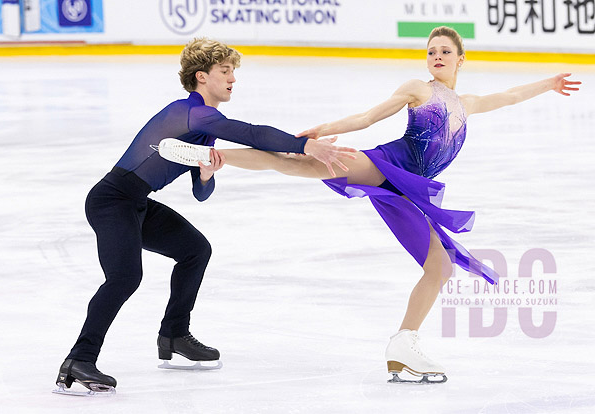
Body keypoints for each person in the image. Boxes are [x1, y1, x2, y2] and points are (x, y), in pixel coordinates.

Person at [163, 27, 581, 383]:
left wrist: (548, 84)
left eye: (445, 52)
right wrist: (323, 131)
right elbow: (368, 118)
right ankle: (217, 157)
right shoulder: (419, 89)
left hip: (408, 188)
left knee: (441, 267)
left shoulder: (467, 104)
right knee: (303, 164)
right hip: (386, 164)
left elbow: (508, 95)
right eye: (432, 51)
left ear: (460, 59)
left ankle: (404, 344)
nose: (436, 56)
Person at [54, 37, 355, 396]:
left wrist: (207, 174)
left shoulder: (204, 129)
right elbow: (252, 133)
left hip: (136, 202)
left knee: (195, 249)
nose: (232, 78)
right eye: (225, 71)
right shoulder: (192, 112)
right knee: (124, 277)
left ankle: (174, 334)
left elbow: (201, 192)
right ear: (201, 77)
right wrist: (305, 145)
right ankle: (79, 359)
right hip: (112, 200)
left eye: (233, 72)